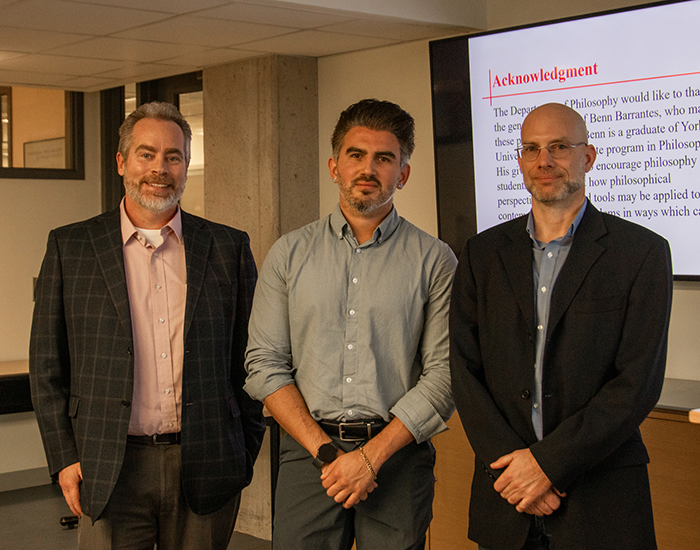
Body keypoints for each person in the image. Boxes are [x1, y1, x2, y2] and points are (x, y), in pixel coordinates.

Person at [29, 101, 266, 549]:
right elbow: (47, 366)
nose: (160, 168)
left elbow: (250, 360)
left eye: (173, 156)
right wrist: (64, 458)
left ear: (186, 165)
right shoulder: (71, 247)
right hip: (108, 465)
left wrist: (242, 451)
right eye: (147, 154)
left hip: (207, 461)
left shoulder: (227, 247)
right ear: (122, 162)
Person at [449, 102, 673, 550]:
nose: (543, 161)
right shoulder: (481, 254)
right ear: (519, 161)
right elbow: (464, 370)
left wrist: (547, 466)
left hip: (600, 499)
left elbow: (636, 384)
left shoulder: (641, 253)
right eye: (531, 149)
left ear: (587, 157)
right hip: (506, 496)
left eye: (558, 147)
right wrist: (514, 470)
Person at [245, 98, 457, 549]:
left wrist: (370, 457)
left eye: (384, 158)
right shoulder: (288, 254)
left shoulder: (435, 261)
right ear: (333, 166)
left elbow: (444, 375)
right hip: (308, 454)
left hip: (398, 455)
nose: (368, 168)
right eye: (355, 155)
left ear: (403, 173)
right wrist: (326, 453)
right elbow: (264, 364)